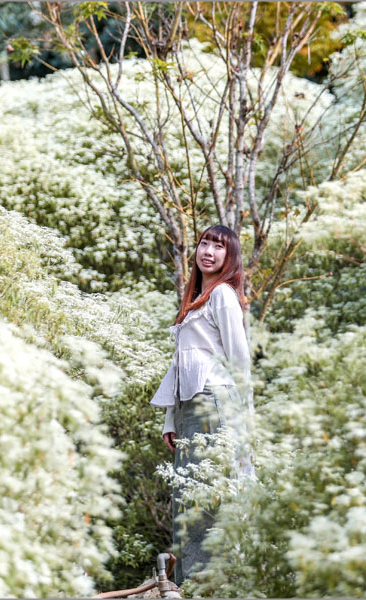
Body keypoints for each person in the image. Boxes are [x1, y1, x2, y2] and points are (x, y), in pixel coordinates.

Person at [149, 224, 255, 588]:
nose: (208, 251)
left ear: (230, 257)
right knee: (185, 498)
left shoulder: (223, 295)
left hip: (214, 404)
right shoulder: (197, 299)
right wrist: (170, 418)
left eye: (218, 247)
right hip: (189, 408)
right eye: (205, 243)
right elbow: (181, 363)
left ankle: (205, 587)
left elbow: (240, 360)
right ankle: (188, 585)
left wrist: (245, 417)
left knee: (202, 500)